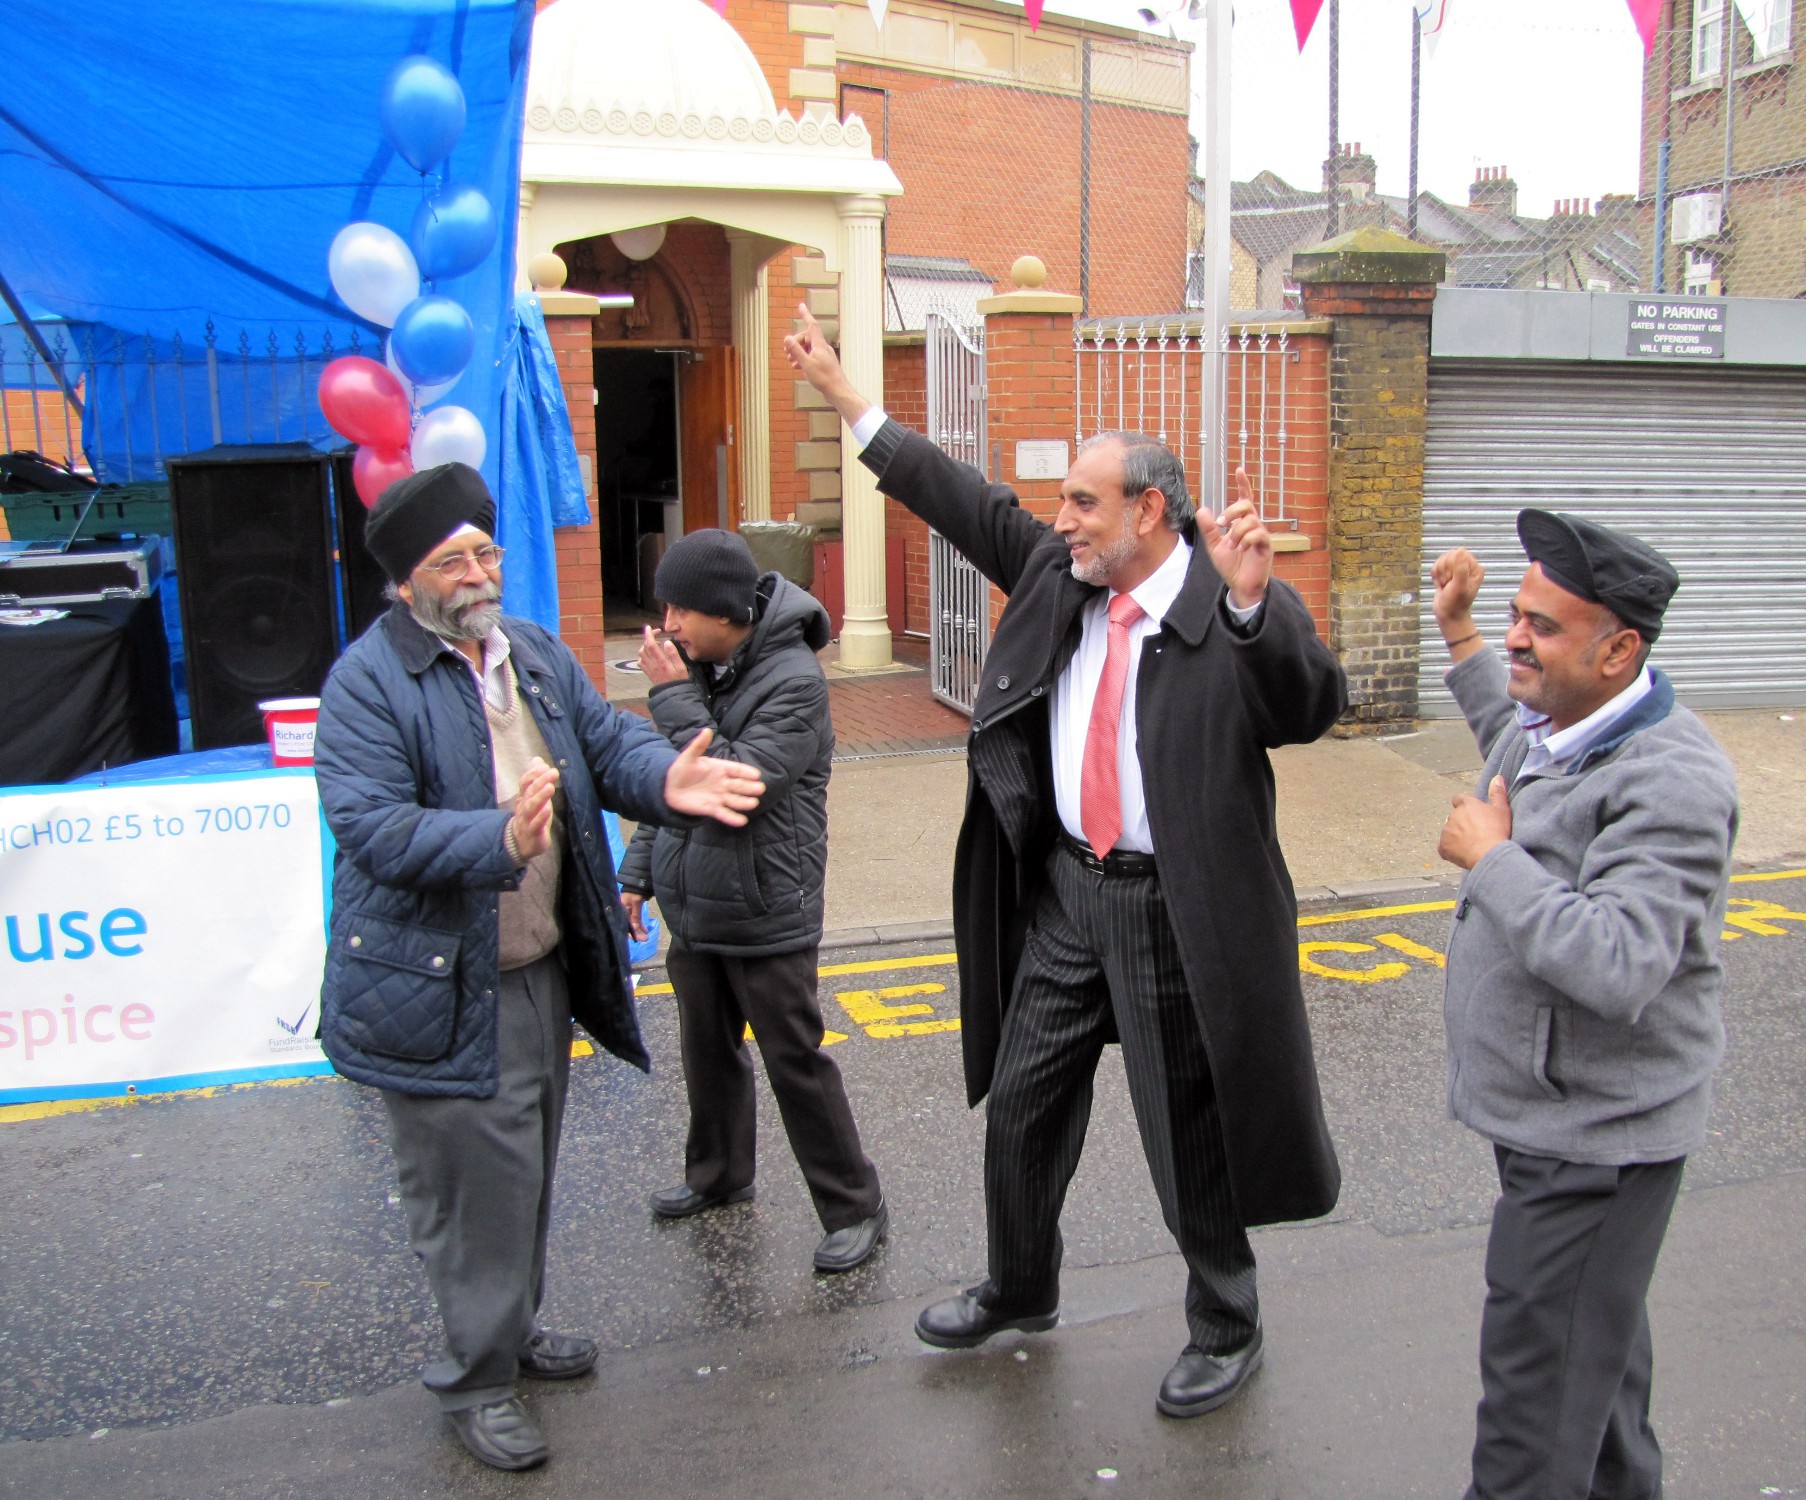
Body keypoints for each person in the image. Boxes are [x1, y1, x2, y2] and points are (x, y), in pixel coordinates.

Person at [784, 306, 1347, 1417]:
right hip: (1067, 895)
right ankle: (1021, 1284)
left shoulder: (1219, 606)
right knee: (1023, 1103)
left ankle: (1226, 1322)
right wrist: (850, 399)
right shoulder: (1060, 573)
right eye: (1063, 504)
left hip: (1168, 909)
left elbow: (1309, 705)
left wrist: (1251, 604)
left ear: (1149, 509)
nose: (1061, 519)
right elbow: (956, 497)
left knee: (1184, 1126)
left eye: (1083, 501)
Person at [312, 464, 766, 1473]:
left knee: (519, 1172)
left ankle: (508, 1330)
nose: (478, 575)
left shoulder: (532, 654)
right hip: (432, 981)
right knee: (464, 1191)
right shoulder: (366, 684)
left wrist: (669, 778)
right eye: (453, 561)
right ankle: (477, 1380)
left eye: (487, 552)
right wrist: (499, 840)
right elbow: (373, 828)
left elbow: (609, 748)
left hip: (535, 967)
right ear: (406, 581)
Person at [1431, 512, 1737, 1500]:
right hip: (1559, 1123)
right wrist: (1465, 637)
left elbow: (1618, 964)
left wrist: (1495, 858)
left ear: (1619, 650)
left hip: (1594, 1150)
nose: (1520, 638)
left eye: (1543, 627)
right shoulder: (1563, 724)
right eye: (1517, 615)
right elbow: (1509, 730)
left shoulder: (1674, 781)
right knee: (1595, 1387)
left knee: (1531, 1422)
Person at [617, 528, 887, 1272]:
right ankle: (718, 1177)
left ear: (726, 610)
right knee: (706, 1052)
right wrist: (637, 872)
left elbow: (735, 781)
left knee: (793, 1059)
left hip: (767, 904)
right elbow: (670, 779)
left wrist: (671, 698)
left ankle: (855, 1206)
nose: (668, 624)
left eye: (681, 608)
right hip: (694, 901)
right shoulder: (705, 664)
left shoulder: (794, 680)